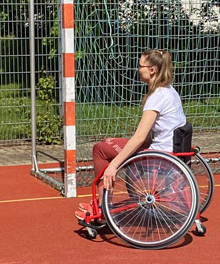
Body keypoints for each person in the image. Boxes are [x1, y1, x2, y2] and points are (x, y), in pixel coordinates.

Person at [76, 49, 186, 220]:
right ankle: (111, 202)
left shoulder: (156, 97)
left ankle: (104, 207)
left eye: (140, 65)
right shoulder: (170, 90)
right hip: (172, 148)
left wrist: (113, 166)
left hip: (160, 154)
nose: (137, 69)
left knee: (100, 149)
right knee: (109, 143)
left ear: (152, 70)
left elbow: (140, 137)